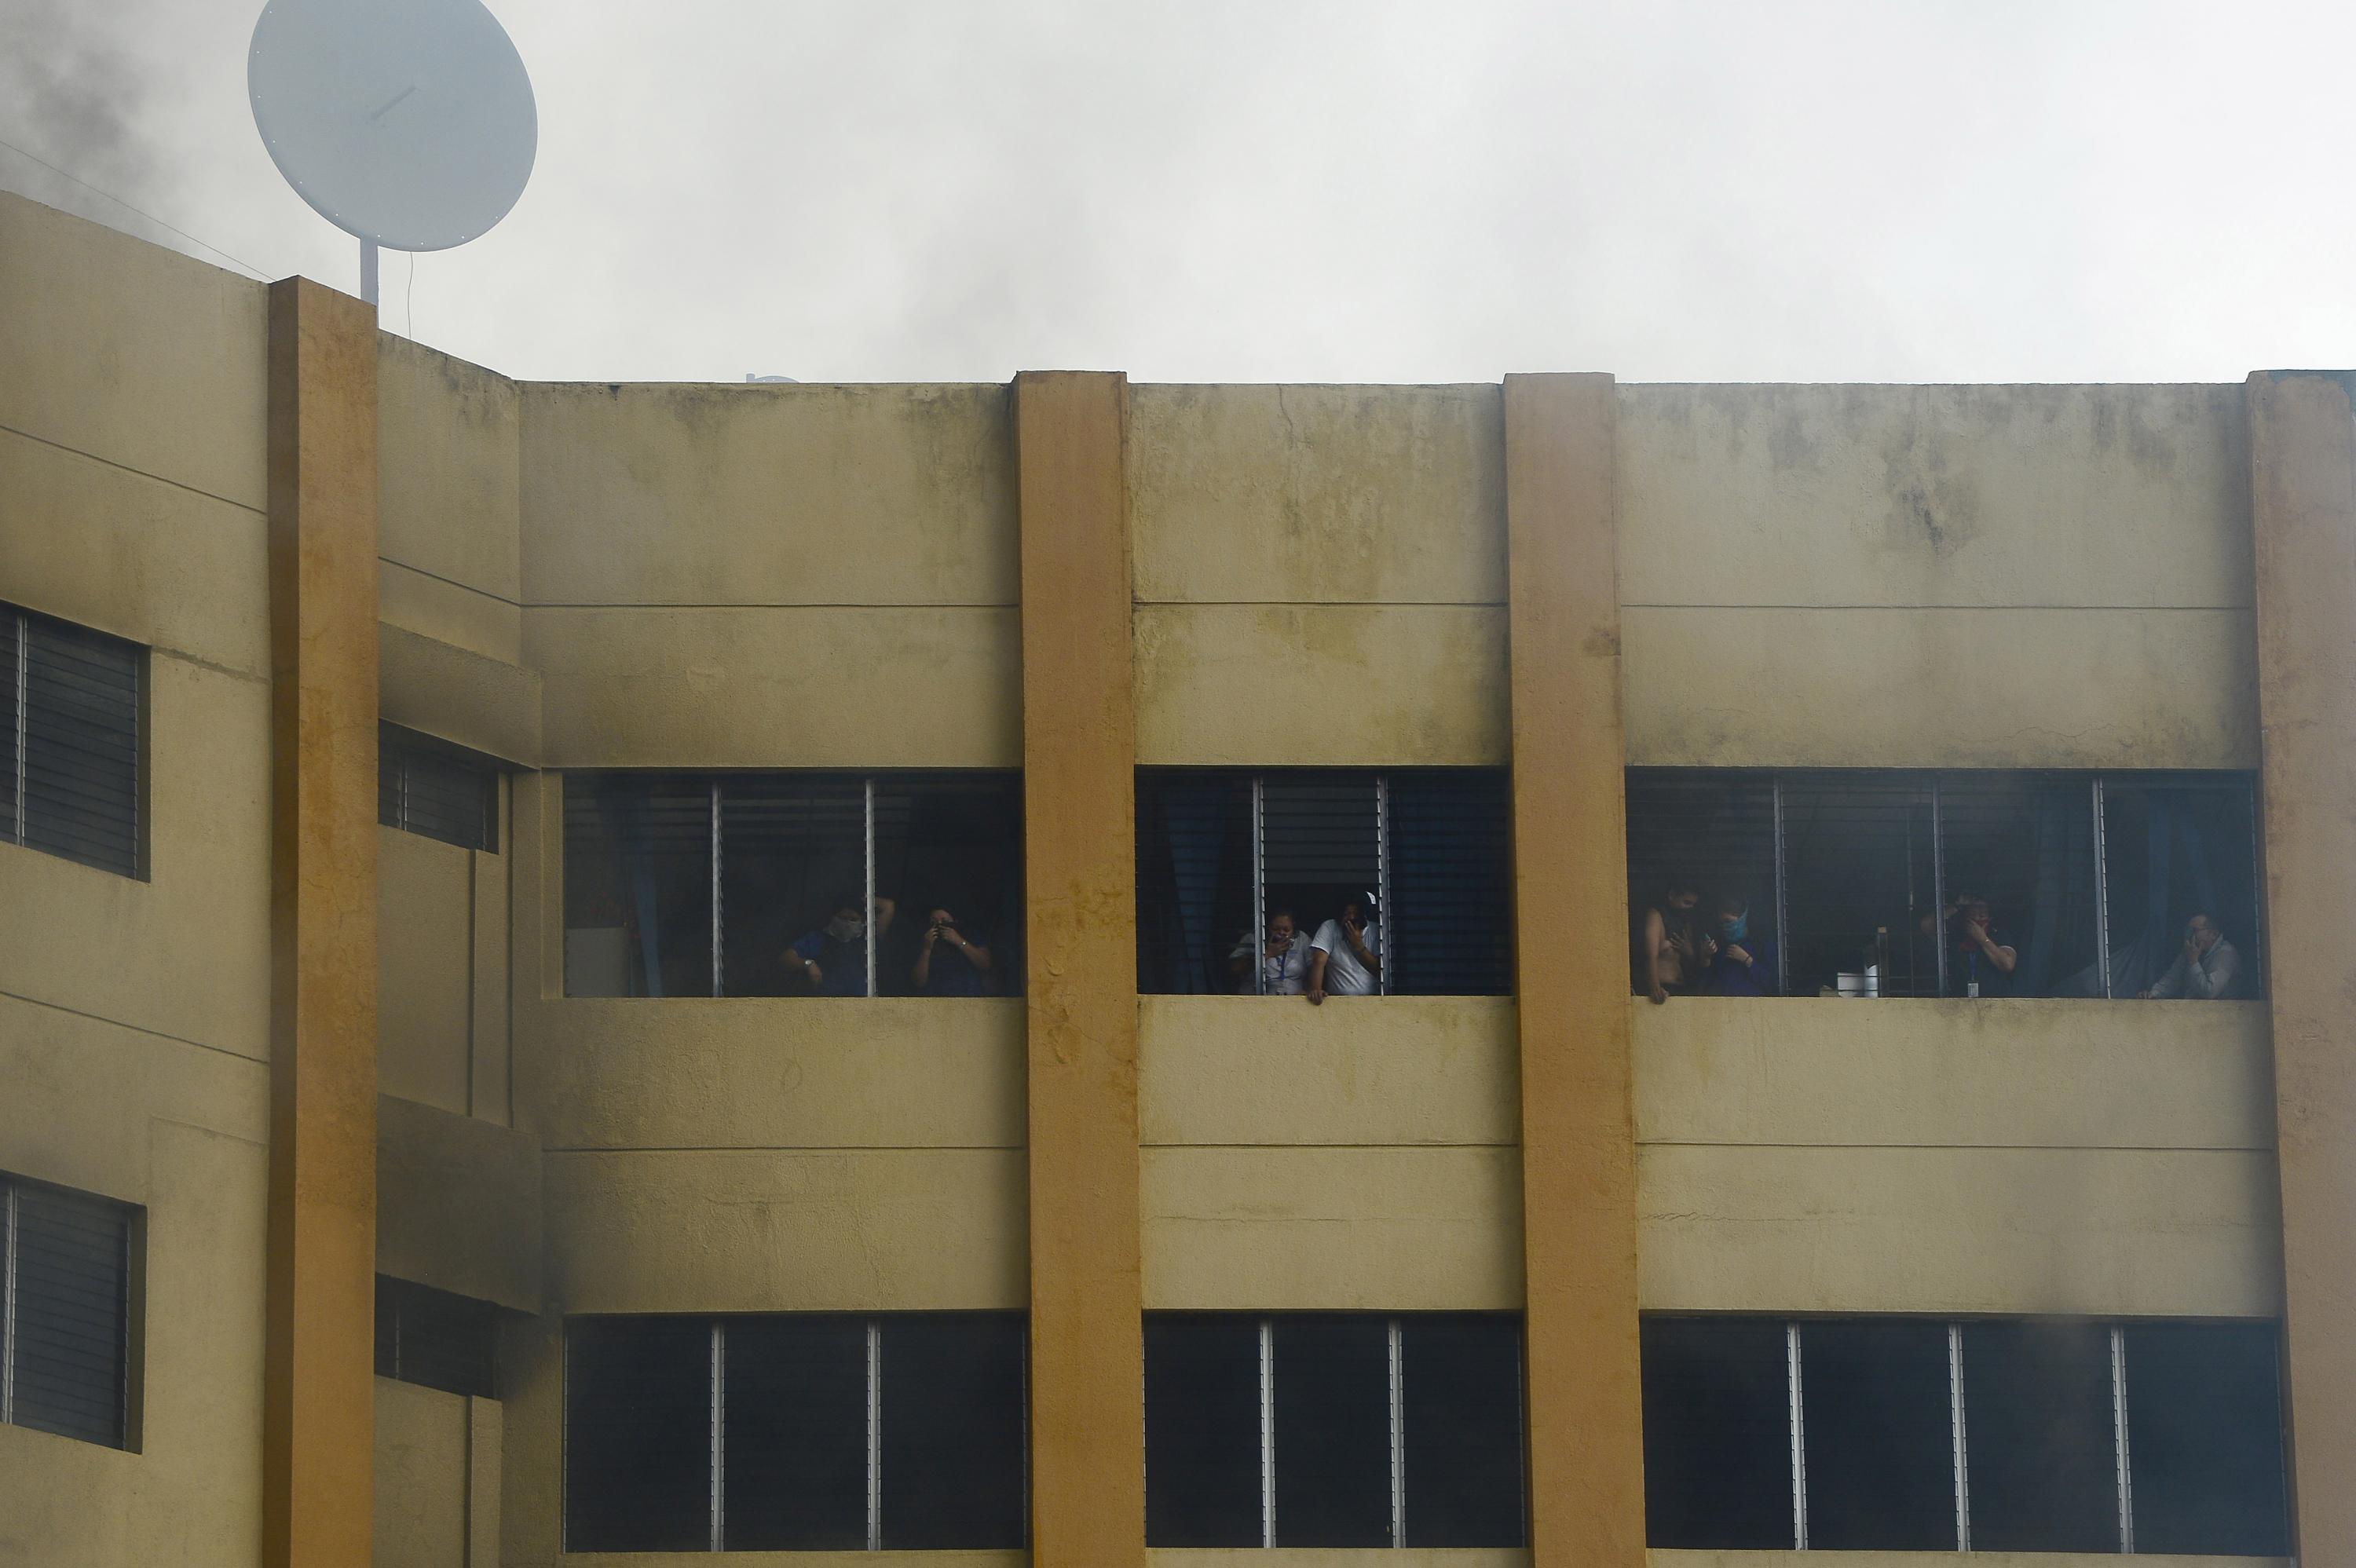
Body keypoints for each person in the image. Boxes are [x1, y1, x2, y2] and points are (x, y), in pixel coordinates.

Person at [784, 890, 897, 996]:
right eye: (843, 918)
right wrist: (808, 964)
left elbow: (888, 906)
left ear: (862, 921)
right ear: (833, 917)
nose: (847, 923)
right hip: (826, 1004)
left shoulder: (869, 939)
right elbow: (786, 959)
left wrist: (856, 900)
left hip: (862, 1006)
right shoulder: (817, 938)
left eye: (853, 919)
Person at [1637, 878, 1707, 1004]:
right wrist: (1654, 987)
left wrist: (1689, 952)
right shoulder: (1656, 916)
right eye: (1686, 903)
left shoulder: (1688, 923)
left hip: (1685, 989)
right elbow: (1650, 956)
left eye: (1693, 905)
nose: (1690, 908)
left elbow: (1697, 966)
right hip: (1663, 989)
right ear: (1672, 895)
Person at [2139, 913, 2241, 1000]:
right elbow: (2172, 979)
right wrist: (2153, 994)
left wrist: (2194, 962)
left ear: (2213, 934)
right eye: (2188, 930)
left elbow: (2209, 992)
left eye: (2195, 930)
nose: (2189, 934)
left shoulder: (2226, 954)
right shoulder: (2190, 951)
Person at [1306, 893, 1383, 1005]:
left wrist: (1359, 946)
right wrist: (1316, 990)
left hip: (1372, 1002)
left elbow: (1379, 971)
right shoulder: (1330, 927)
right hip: (1338, 1002)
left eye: (1356, 914)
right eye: (1347, 913)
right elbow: (1319, 960)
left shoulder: (1376, 930)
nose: (1351, 918)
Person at [1699, 893, 1777, 996]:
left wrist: (1747, 960)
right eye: (1721, 922)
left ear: (1742, 917)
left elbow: (1773, 985)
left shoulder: (1760, 943)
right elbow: (1705, 987)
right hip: (1722, 1008)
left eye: (1728, 921)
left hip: (1754, 1007)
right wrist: (1706, 957)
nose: (1725, 926)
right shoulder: (1718, 946)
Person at [910, 905, 991, 996]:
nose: (939, 925)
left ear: (955, 922)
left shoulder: (970, 935)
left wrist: (958, 941)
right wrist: (927, 949)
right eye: (934, 922)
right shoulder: (925, 940)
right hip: (936, 1001)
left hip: (968, 998)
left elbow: (985, 964)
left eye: (945, 921)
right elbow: (918, 982)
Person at [1948, 895, 2018, 997]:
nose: (1976, 919)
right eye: (1972, 915)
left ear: (1989, 917)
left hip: (1995, 1000)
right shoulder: (1957, 933)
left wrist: (1983, 939)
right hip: (1960, 1001)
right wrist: (1956, 906)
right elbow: (1927, 925)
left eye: (1981, 916)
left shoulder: (1999, 934)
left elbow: (2008, 964)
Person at [1230, 908, 1309, 995]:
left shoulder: (1302, 939)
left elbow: (1314, 966)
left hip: (1294, 1001)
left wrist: (1309, 991)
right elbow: (1235, 969)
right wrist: (1267, 954)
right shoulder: (1252, 939)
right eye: (1275, 929)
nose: (1281, 933)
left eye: (1286, 930)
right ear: (1266, 927)